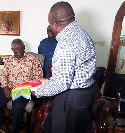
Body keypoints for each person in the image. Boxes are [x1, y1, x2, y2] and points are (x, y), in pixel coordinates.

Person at [32, 2, 96, 133]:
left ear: (55, 24)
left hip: (71, 98)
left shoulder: (65, 43)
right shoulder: (83, 34)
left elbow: (62, 83)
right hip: (87, 93)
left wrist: (37, 91)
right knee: (50, 125)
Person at [0, 39, 43, 133]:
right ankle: (4, 125)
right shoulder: (9, 60)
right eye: (15, 49)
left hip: (24, 90)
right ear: (12, 49)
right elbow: (3, 75)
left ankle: (15, 130)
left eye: (20, 48)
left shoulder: (33, 60)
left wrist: (27, 88)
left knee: (17, 108)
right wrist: (5, 87)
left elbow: (38, 77)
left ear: (24, 48)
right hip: (10, 87)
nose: (18, 51)